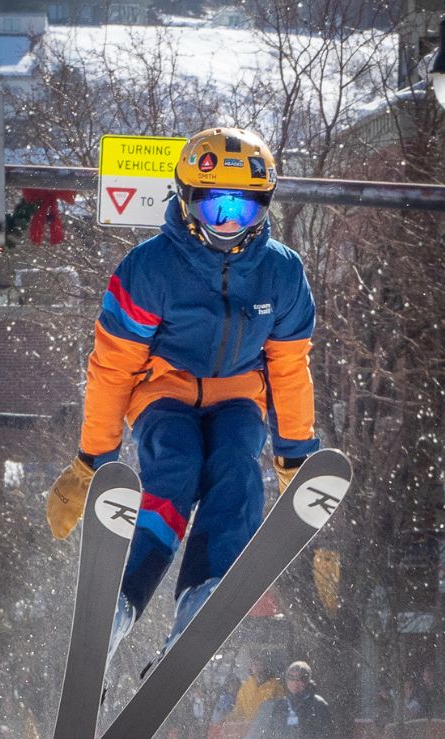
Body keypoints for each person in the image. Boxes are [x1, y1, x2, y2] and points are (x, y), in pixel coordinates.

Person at [46, 127, 320, 656]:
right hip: (163, 389)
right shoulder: (150, 269)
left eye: (245, 212)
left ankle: (205, 588)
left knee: (239, 466)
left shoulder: (281, 273)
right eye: (216, 208)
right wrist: (91, 462)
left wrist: (294, 457)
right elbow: (112, 369)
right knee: (176, 466)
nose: (229, 225)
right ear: (187, 199)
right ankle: (121, 601)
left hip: (239, 392)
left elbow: (289, 366)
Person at [232, 653, 281, 724]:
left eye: (260, 665)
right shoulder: (244, 688)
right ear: (251, 667)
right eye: (255, 664)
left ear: (265, 667)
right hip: (249, 731)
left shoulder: (275, 686)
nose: (257, 668)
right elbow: (238, 712)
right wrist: (227, 719)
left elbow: (280, 711)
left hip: (267, 727)